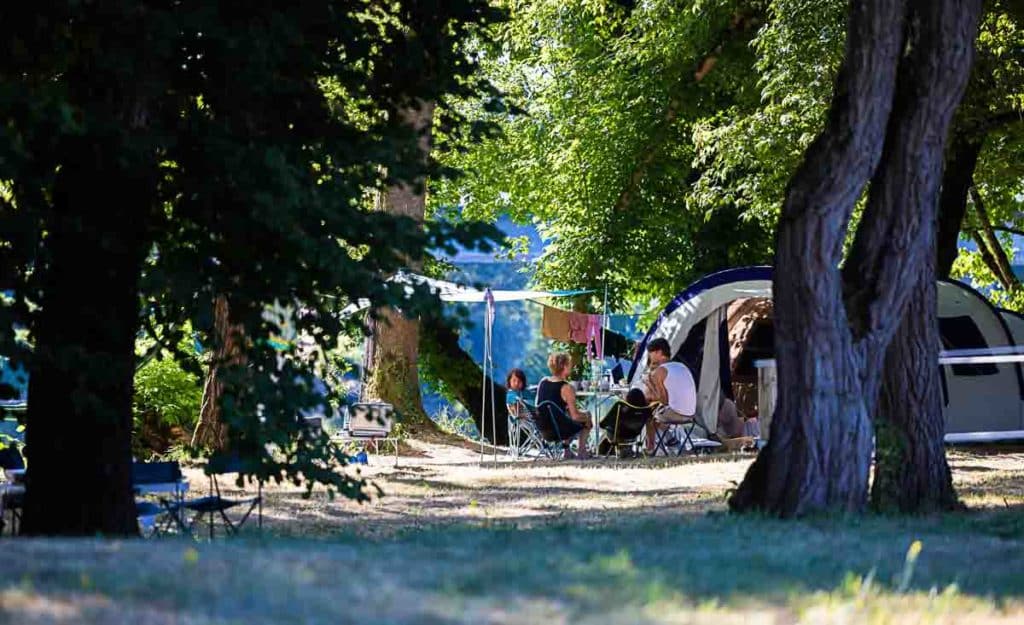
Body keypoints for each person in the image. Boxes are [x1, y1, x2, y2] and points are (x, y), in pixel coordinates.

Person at [643, 337, 697, 454]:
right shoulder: (681, 366)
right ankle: (670, 439)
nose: (650, 357)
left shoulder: (660, 371)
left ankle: (650, 448)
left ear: (658, 352)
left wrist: (649, 383)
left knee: (649, 416)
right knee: (659, 413)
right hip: (691, 414)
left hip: (677, 415)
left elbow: (664, 401)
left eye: (650, 353)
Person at [535, 352, 593, 459]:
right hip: (558, 431)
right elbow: (575, 416)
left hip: (542, 429)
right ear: (564, 366)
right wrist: (587, 415)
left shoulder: (542, 382)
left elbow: (538, 406)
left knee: (567, 416)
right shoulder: (567, 388)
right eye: (569, 364)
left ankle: (567, 451)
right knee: (586, 418)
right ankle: (581, 451)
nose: (571, 366)